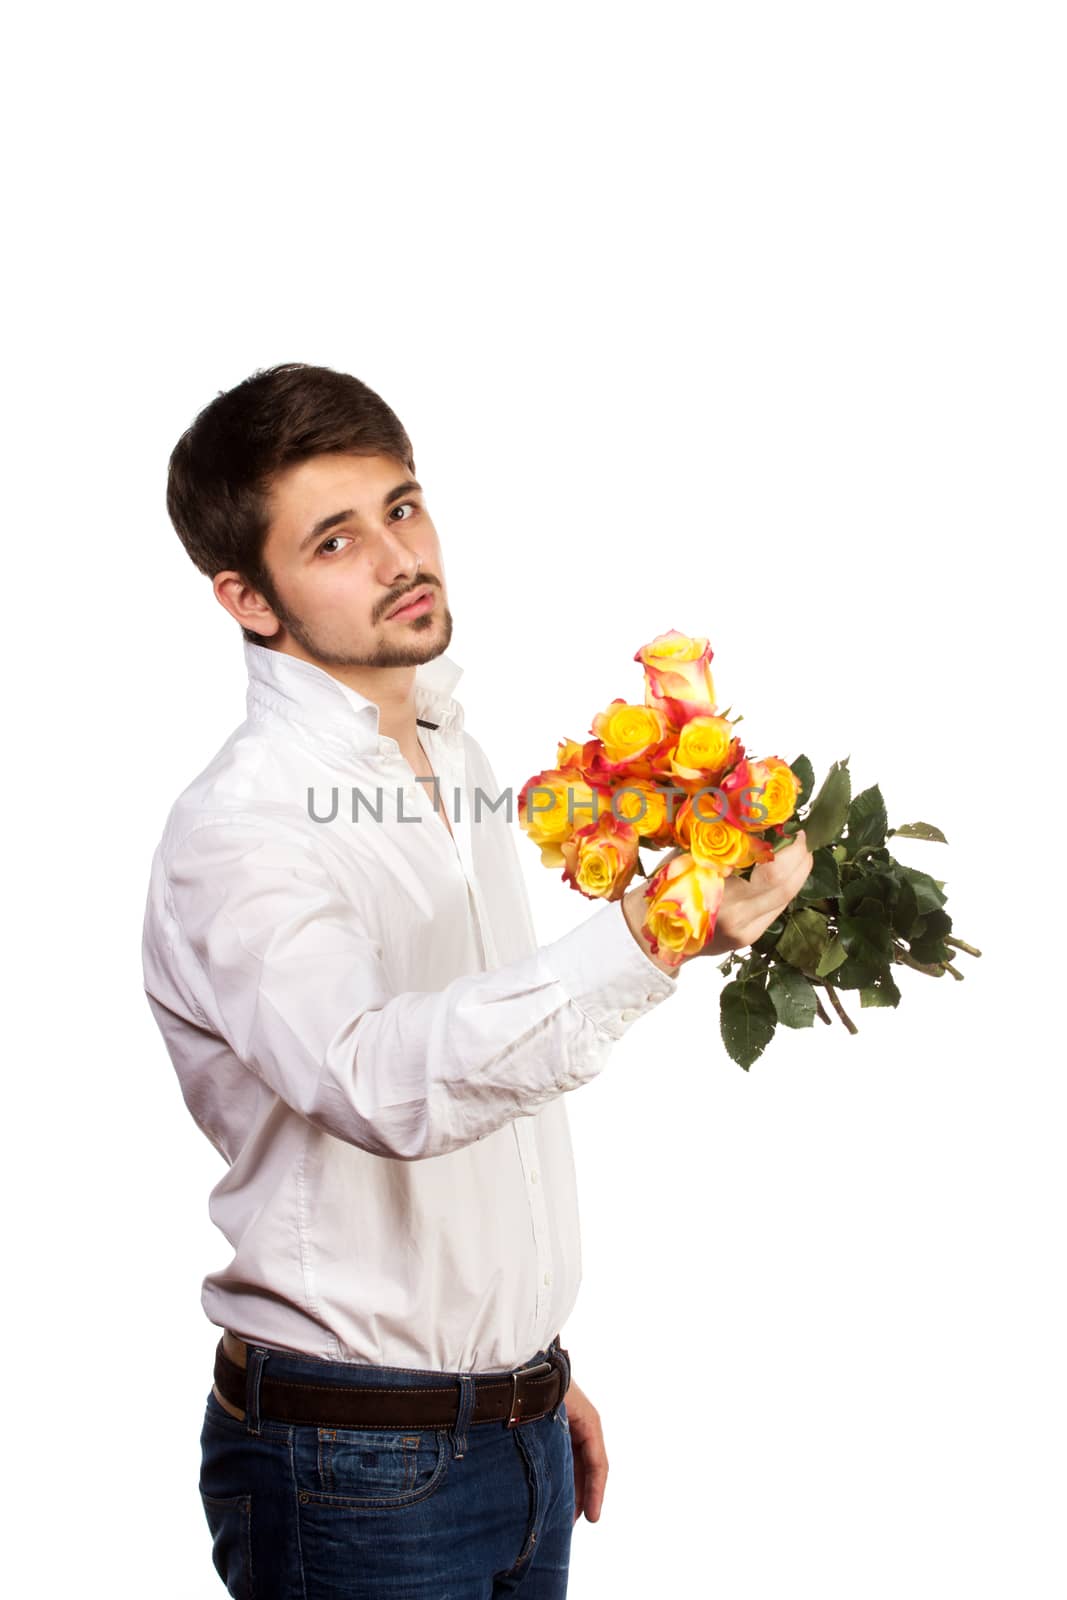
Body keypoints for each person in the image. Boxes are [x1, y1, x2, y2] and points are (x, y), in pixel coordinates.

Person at [141, 362, 812, 1598]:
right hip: (351, 1460)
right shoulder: (243, 827)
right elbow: (381, 1080)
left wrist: (518, 1375)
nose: (399, 557)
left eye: (402, 508)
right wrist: (652, 936)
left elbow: (481, 1081)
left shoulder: (456, 753)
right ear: (248, 597)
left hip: (507, 1431)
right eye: (334, 540)